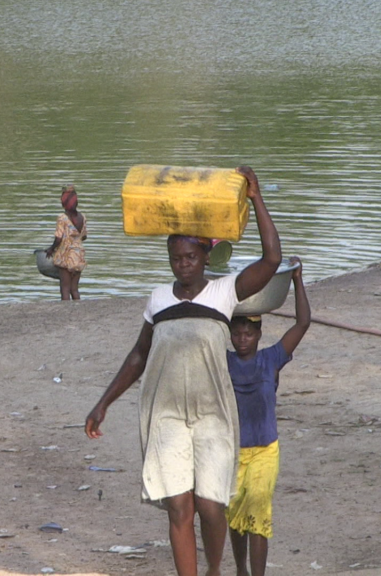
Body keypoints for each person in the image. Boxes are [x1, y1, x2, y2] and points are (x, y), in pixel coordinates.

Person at [84, 166, 281, 576]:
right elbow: (139, 356)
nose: (183, 266)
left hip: (212, 414)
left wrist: (256, 198)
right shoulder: (158, 300)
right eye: (176, 258)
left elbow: (272, 259)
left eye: (191, 257)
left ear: (207, 256)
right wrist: (103, 403)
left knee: (211, 507)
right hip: (166, 414)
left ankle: (212, 569)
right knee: (179, 505)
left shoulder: (224, 292)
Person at [226, 256, 310, 576]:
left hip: (265, 450)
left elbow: (302, 323)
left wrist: (298, 280)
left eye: (249, 334)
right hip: (233, 451)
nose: (242, 339)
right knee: (234, 514)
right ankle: (240, 569)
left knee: (258, 511)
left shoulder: (272, 359)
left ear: (259, 335)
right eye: (237, 333)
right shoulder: (223, 363)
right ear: (230, 334)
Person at [45, 185, 87, 300]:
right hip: (78, 255)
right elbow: (84, 236)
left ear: (63, 203)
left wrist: (51, 249)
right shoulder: (83, 217)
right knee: (74, 288)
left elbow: (58, 239)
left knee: (65, 288)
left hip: (66, 255)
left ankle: (66, 313)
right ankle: (78, 309)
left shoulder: (62, 218)